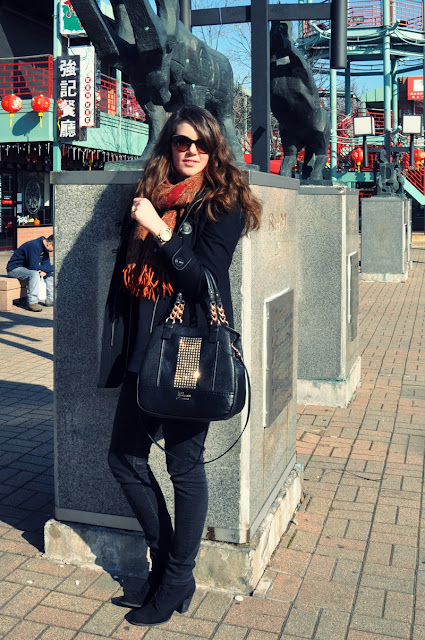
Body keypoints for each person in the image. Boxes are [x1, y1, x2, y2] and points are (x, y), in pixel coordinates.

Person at [101, 105, 262, 627]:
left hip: (190, 348)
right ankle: (168, 567)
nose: (190, 151)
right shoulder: (154, 196)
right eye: (179, 142)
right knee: (124, 457)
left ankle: (173, 580)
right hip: (144, 350)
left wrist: (161, 232)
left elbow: (204, 282)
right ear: (168, 146)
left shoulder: (224, 203)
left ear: (215, 148)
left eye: (201, 143)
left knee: (184, 467)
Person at [6, 235, 54, 312]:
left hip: (27, 269)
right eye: (53, 249)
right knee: (34, 274)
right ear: (50, 243)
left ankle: (50, 299)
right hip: (15, 269)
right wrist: (53, 268)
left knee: (49, 274)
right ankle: (32, 302)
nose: (53, 251)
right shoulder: (34, 245)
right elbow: (33, 266)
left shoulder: (45, 249)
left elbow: (46, 265)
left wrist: (46, 271)